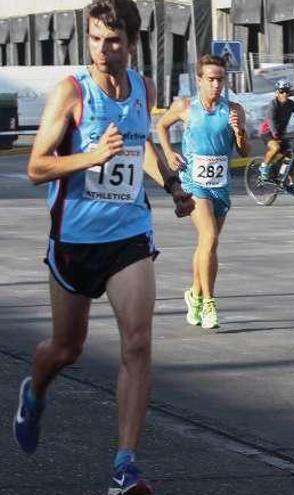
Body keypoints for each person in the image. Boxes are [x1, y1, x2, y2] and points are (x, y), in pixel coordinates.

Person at [13, 0, 194, 493]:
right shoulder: (72, 92)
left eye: (111, 41)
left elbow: (139, 153)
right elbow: (36, 168)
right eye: (94, 38)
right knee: (66, 348)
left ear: (131, 43)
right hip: (74, 239)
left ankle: (124, 464)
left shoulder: (144, 88)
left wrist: (173, 186)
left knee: (137, 344)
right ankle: (36, 391)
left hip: (129, 235)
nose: (100, 49)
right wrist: (92, 154)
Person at [156, 54, 250, 329]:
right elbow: (161, 125)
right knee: (208, 236)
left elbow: (245, 152)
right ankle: (209, 303)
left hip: (220, 186)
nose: (216, 85)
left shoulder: (234, 110)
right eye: (211, 79)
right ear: (199, 81)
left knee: (208, 245)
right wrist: (168, 151)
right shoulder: (185, 106)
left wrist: (240, 132)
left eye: (221, 79)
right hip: (193, 183)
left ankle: (194, 294)